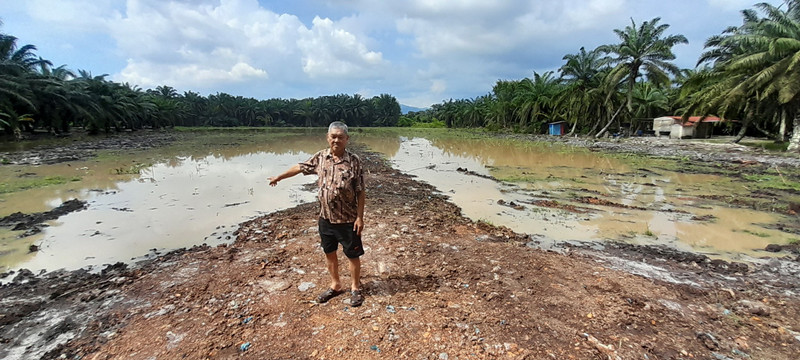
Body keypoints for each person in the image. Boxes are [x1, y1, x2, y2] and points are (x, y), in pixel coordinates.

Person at [268, 121, 366, 307]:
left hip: (348, 220)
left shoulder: (354, 161)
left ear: (347, 139)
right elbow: (300, 167)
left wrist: (360, 217)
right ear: (328, 137)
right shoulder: (321, 157)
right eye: (333, 136)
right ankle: (335, 285)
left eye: (340, 137)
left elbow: (360, 191)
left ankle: (355, 288)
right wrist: (279, 177)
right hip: (325, 218)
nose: (336, 140)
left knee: (353, 255)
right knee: (329, 253)